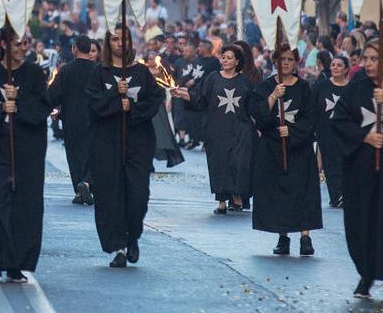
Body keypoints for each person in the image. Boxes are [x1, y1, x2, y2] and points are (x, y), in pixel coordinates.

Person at [0, 26, 51, 283]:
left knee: (23, 208)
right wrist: (0, 110)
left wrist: (19, 104)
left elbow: (42, 110)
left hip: (26, 152)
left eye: (25, 43)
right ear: (4, 45)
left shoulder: (35, 75)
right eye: (17, 44)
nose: (22, 48)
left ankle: (16, 265)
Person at [86, 25, 164, 267]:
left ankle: (133, 237)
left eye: (124, 39)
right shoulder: (100, 72)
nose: (120, 43)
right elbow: (92, 103)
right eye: (115, 39)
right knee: (111, 196)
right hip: (107, 143)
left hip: (137, 143)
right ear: (108, 43)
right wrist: (113, 98)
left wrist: (132, 107)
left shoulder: (141, 72)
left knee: (138, 195)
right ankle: (118, 247)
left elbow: (155, 99)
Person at [332, 39, 383, 299]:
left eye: (373, 59)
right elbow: (339, 121)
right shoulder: (356, 89)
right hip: (361, 170)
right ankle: (366, 274)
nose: (367, 64)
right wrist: (364, 137)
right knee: (361, 222)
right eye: (365, 59)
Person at [248, 43, 321, 256]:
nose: (286, 63)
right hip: (272, 148)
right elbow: (258, 116)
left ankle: (305, 237)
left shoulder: (304, 88)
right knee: (279, 193)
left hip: (298, 148)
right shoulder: (265, 87)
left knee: (302, 191)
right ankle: (283, 236)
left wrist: (292, 131)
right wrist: (272, 96)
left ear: (296, 62)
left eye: (290, 59)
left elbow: (310, 117)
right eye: (282, 60)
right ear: (275, 62)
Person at [173, 44, 254, 213]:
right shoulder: (213, 78)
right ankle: (222, 202)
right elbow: (200, 99)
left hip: (240, 129)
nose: (225, 60)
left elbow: (252, 106)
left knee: (238, 163)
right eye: (223, 57)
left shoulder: (245, 82)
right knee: (219, 163)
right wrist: (185, 94)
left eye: (229, 58)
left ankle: (237, 198)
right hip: (216, 129)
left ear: (237, 61)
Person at [48, 35, 96, 205]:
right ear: (89, 49)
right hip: (95, 119)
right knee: (93, 154)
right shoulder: (98, 70)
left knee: (74, 155)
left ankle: (78, 188)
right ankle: (88, 183)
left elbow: (53, 94)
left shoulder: (66, 71)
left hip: (72, 120)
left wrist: (48, 108)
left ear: (75, 49)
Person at [313, 54, 349, 208]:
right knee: (330, 164)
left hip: (346, 133)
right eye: (333, 65)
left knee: (345, 163)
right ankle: (336, 196)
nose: (335, 68)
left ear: (346, 69)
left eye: (339, 65)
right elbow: (312, 108)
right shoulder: (320, 87)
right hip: (325, 131)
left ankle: (345, 193)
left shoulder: (352, 88)